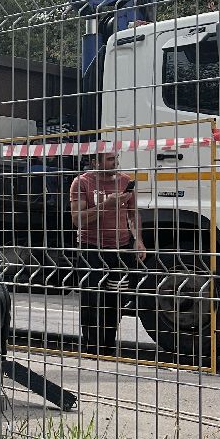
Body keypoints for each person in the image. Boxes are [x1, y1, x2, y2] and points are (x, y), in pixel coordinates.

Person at [69, 149, 146, 353]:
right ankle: (92, 347)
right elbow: (77, 219)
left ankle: (108, 346)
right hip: (91, 250)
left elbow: (133, 214)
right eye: (110, 159)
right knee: (92, 301)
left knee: (115, 300)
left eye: (116, 159)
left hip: (119, 250)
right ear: (95, 162)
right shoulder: (82, 183)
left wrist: (138, 240)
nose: (115, 163)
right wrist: (106, 205)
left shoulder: (124, 181)